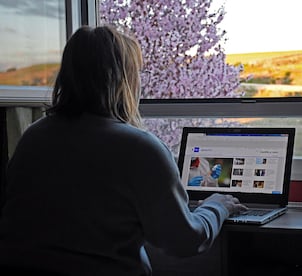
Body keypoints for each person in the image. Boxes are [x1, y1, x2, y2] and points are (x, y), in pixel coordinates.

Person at [0, 25, 247, 276]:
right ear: (124, 80)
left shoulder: (33, 136)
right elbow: (184, 241)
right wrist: (218, 206)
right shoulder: (140, 148)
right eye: (138, 74)